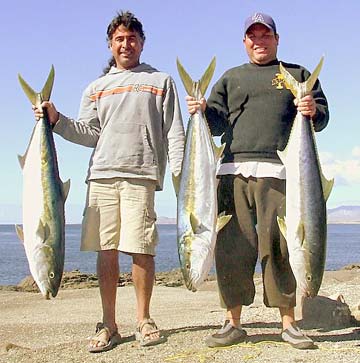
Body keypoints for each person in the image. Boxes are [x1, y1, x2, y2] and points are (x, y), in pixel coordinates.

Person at [33, 11, 185, 352]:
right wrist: (56, 120)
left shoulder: (161, 81)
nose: (126, 44)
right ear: (110, 44)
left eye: (132, 38)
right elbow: (89, 133)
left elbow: (175, 131)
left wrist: (181, 177)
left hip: (141, 174)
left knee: (142, 248)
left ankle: (144, 319)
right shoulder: (95, 88)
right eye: (119, 39)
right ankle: (109, 324)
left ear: (142, 43)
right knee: (106, 251)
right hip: (101, 176)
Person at [186, 12, 329, 349]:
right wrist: (201, 109)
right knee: (232, 249)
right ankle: (232, 322)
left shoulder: (297, 75)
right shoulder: (230, 78)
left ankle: (288, 323)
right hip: (232, 173)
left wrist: (310, 108)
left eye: (266, 35)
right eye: (253, 36)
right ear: (245, 41)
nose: (259, 41)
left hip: (282, 175)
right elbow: (215, 125)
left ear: (277, 39)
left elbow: (321, 118)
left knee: (281, 247)